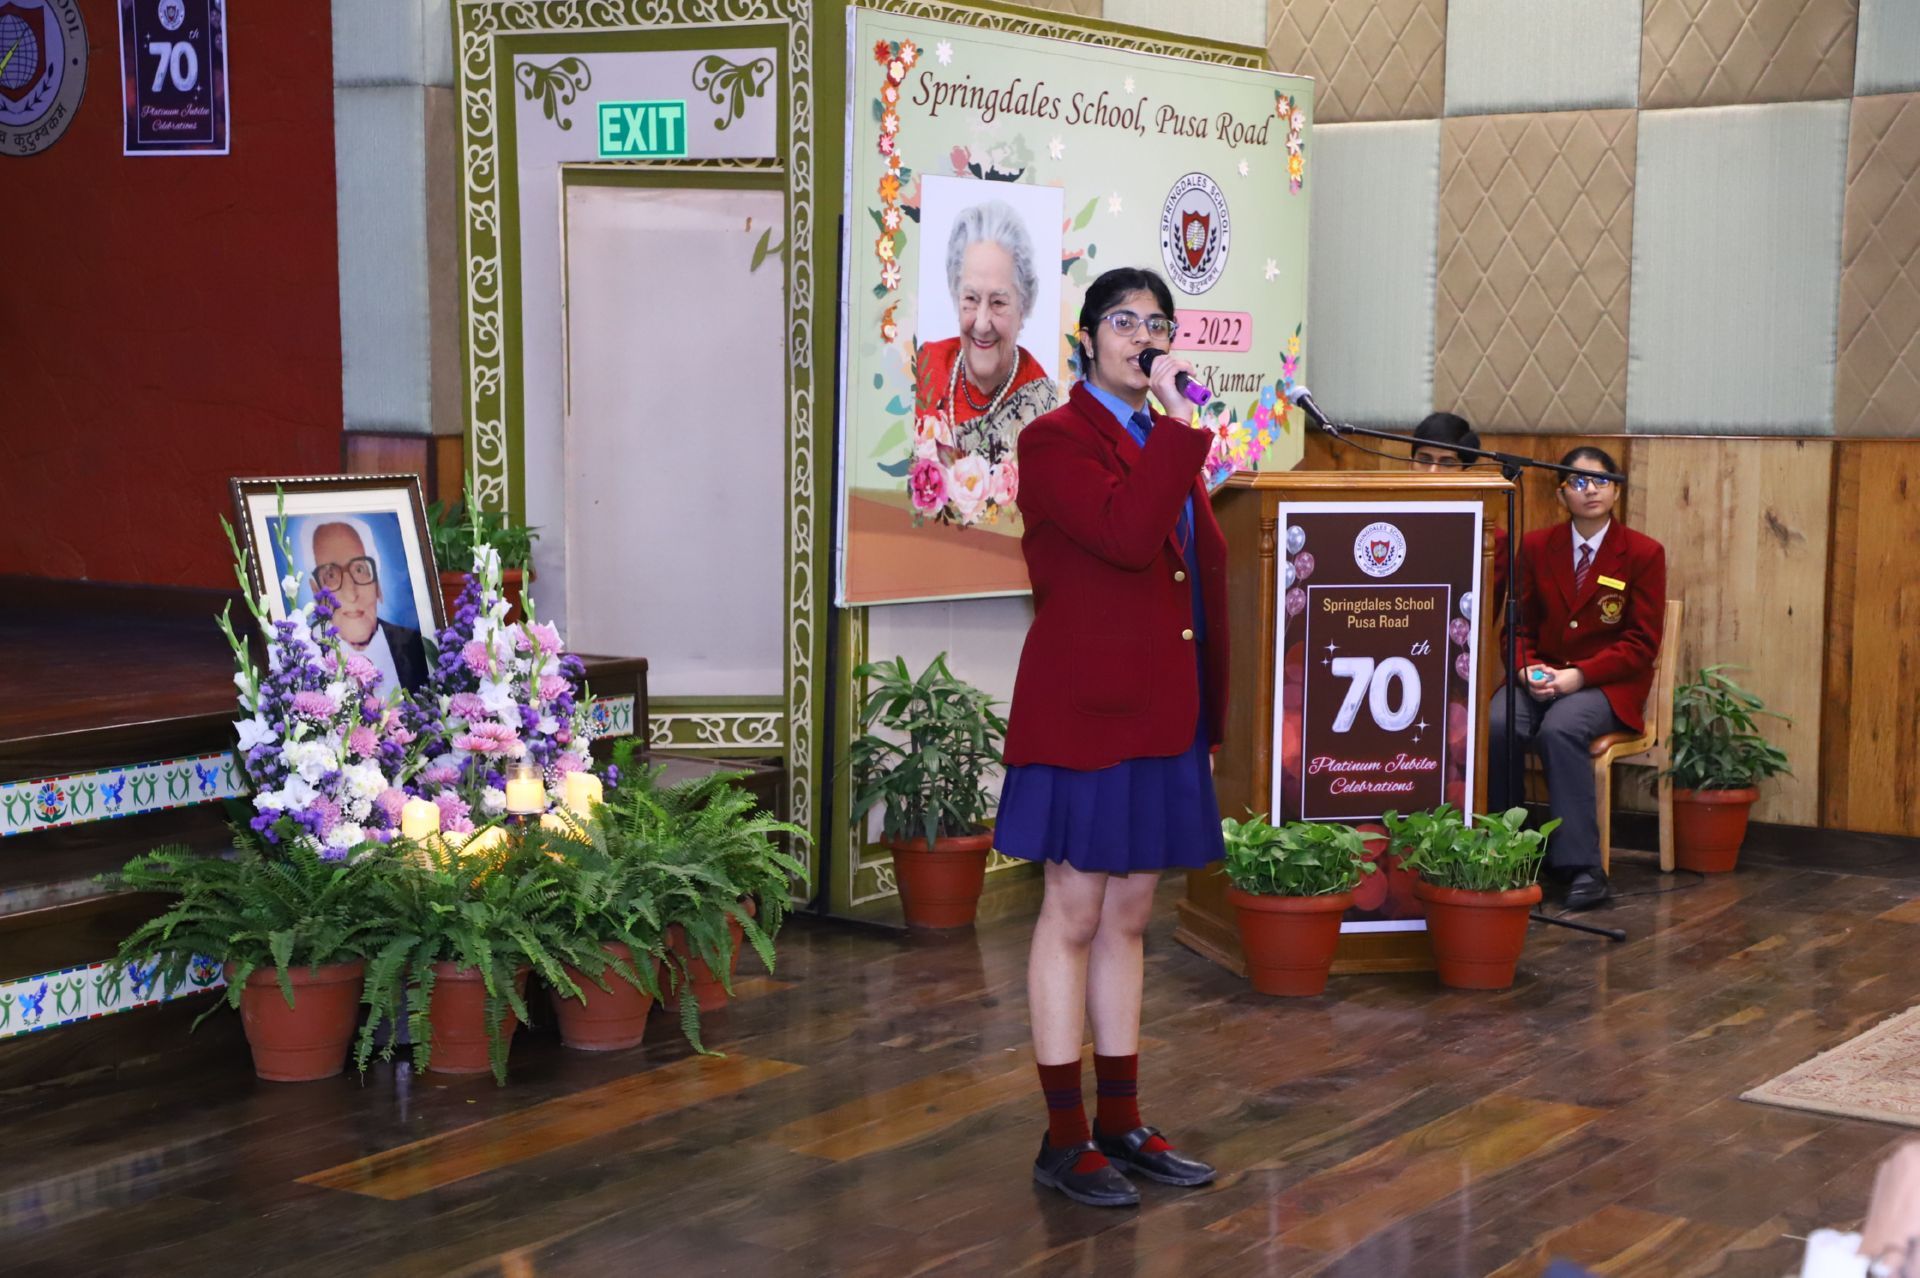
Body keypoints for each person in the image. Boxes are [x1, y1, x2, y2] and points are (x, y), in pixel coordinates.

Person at [995, 266, 1223, 1208]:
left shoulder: (1160, 440)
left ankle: (1121, 1120)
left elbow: (1193, 578)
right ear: (1087, 339)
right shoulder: (1055, 438)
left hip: (1162, 712)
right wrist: (1178, 428)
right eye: (1124, 321)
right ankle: (1063, 1139)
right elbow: (1128, 539)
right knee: (1075, 913)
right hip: (1085, 712)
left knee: (1130, 919)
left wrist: (1209, 712)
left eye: (1157, 322)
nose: (1144, 336)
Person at [1487, 447, 1666, 911]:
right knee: (1497, 723)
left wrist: (1579, 676)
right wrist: (1524, 668)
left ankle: (1582, 866)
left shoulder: (1643, 553)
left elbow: (1641, 644)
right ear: (1560, 493)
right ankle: (1507, 850)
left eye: (1601, 481)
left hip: (1606, 685)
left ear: (1617, 491)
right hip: (1540, 675)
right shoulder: (1536, 547)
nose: (1591, 491)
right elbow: (1517, 627)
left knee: (1561, 728)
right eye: (1578, 482)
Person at [914, 201, 1060, 474]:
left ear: (1024, 306)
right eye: (971, 298)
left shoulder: (1042, 405)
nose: (982, 324)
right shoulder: (925, 366)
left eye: (998, 302)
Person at [301, 516, 429, 693]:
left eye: (360, 569)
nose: (351, 594)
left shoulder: (417, 646)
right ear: (316, 592)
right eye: (330, 575)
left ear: (377, 584)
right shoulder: (302, 659)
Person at [1408, 410, 1509, 632]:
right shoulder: (1386, 523)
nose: (1433, 472)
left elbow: (1480, 618)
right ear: (1410, 463)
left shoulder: (1489, 537)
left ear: (1466, 471)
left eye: (1447, 462)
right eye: (1424, 460)